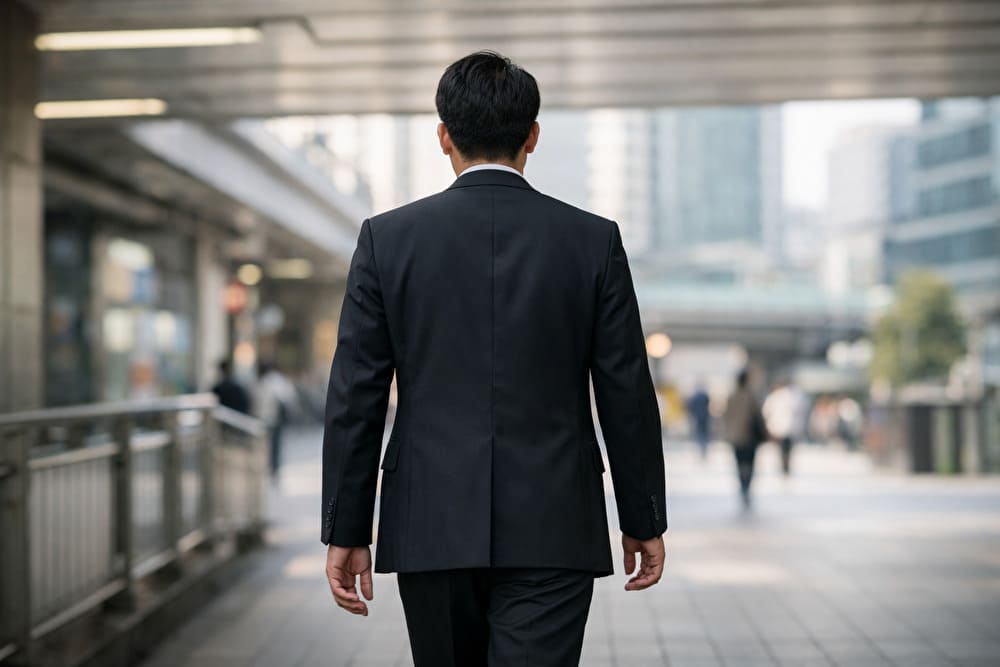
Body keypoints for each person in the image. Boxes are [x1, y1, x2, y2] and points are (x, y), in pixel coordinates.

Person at [320, 51, 667, 667]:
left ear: (443, 137)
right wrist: (642, 515)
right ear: (532, 136)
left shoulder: (387, 239)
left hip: (430, 524)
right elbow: (626, 390)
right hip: (556, 522)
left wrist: (347, 529)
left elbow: (356, 395)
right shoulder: (592, 241)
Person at [723, 369, 765, 509]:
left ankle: (743, 486)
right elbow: (759, 416)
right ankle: (746, 487)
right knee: (750, 463)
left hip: (735, 436)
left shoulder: (731, 397)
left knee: (739, 463)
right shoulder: (751, 396)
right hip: (749, 436)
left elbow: (726, 416)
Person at [254, 362, 297, 479]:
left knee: (267, 445)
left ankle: (269, 468)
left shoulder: (263, 382)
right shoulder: (278, 381)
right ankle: (274, 469)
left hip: (265, 418)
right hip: (275, 419)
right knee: (275, 445)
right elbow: (289, 398)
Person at [762, 378, 804, 475]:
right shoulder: (794, 396)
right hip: (790, 428)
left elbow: (766, 411)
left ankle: (783, 465)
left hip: (779, 428)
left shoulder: (774, 396)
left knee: (782, 449)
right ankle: (786, 465)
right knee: (787, 449)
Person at [686, 383, 711, 460]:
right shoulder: (704, 396)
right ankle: (703, 450)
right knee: (704, 434)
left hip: (698, 417)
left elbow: (691, 407)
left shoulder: (695, 397)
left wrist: (693, 414)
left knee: (700, 434)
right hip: (704, 417)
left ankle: (701, 449)